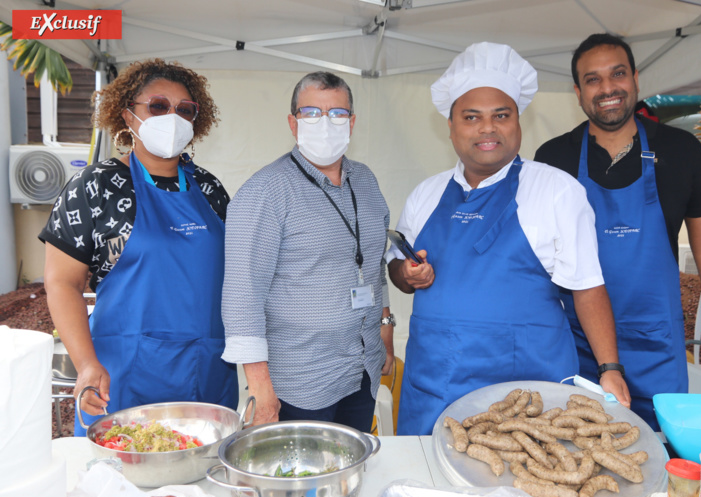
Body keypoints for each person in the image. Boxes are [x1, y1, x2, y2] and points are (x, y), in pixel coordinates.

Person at [387, 42, 630, 436]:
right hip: (434, 390)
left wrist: (610, 368)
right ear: (450, 127)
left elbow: (587, 285)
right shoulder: (425, 195)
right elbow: (397, 269)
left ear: (518, 122)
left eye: (502, 115)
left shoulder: (555, 190)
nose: (487, 128)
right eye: (471, 117)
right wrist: (407, 274)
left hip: (525, 398)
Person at [534, 33, 701, 429]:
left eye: (617, 74)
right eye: (593, 80)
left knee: (655, 459)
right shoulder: (553, 158)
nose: (608, 88)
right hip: (576, 348)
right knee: (575, 459)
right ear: (578, 93)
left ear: (635, 78)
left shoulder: (682, 151)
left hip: (657, 346)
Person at [40, 58, 238, 436]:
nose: (173, 117)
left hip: (206, 374)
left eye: (185, 110)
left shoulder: (210, 190)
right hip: (123, 378)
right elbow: (62, 283)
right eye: (159, 106)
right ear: (128, 115)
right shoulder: (96, 187)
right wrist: (85, 364)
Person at [221, 71, 393, 433]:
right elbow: (242, 298)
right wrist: (260, 390)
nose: (326, 123)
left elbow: (374, 262)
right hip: (299, 381)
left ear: (352, 122)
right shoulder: (265, 192)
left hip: (361, 369)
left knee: (351, 472)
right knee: (302, 484)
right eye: (312, 113)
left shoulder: (366, 180)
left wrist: (385, 329)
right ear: (293, 123)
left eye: (337, 114)